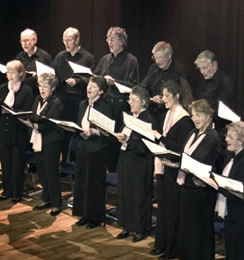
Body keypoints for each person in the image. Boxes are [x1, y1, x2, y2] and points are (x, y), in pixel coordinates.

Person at [149, 80, 194, 260]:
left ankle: (172, 248)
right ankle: (161, 244)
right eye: (163, 95)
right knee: (163, 209)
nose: (163, 98)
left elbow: (179, 149)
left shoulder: (184, 120)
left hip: (174, 171)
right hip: (163, 168)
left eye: (167, 95)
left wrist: (160, 138)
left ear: (176, 96)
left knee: (172, 211)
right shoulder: (167, 114)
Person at [174, 99, 221, 260]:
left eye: (199, 115)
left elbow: (201, 159)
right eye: (193, 115)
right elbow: (183, 153)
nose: (195, 119)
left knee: (201, 228)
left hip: (202, 190)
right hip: (188, 185)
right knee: (190, 227)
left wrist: (183, 163)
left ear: (208, 115)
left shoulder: (212, 137)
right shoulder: (193, 132)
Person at [213, 121, 244, 260]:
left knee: (240, 254)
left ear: (241, 139)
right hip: (231, 213)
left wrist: (218, 185)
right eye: (227, 135)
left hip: (240, 216)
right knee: (232, 251)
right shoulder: (233, 156)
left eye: (230, 136)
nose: (226, 139)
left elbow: (243, 190)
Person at [94, 26, 140, 172]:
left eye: (113, 39)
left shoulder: (131, 60)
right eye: (108, 39)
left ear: (122, 41)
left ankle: (114, 175)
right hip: (104, 105)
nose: (109, 42)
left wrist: (115, 82)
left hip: (120, 107)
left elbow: (134, 85)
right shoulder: (104, 59)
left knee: (115, 142)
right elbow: (95, 78)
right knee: (102, 140)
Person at [113, 86, 154, 242]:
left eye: (133, 100)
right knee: (125, 193)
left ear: (143, 102)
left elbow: (145, 146)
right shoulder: (129, 116)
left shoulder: (148, 120)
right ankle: (126, 225)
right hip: (126, 160)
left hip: (140, 163)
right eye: (129, 99)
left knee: (138, 195)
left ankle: (140, 228)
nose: (129, 102)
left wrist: (127, 140)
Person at [0, 60, 34, 203]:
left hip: (18, 132)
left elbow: (26, 112)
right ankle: (6, 190)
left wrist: (10, 110)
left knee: (17, 164)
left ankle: (17, 192)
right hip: (3, 131)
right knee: (6, 163)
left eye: (12, 72)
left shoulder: (26, 90)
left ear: (21, 74)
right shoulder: (2, 89)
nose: (9, 75)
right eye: (8, 72)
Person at [72, 76, 113, 229]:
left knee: (94, 184)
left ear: (101, 91)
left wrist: (96, 132)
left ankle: (94, 217)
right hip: (83, 147)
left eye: (93, 87)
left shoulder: (105, 106)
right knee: (82, 182)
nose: (89, 88)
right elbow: (79, 122)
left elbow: (108, 131)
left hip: (97, 149)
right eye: (89, 85)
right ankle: (83, 214)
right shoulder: (83, 103)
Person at [25, 73, 64, 216]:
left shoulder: (56, 102)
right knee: (42, 171)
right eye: (40, 86)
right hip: (38, 139)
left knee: (51, 172)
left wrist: (33, 124)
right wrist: (31, 122)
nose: (42, 89)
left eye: (45, 86)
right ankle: (46, 199)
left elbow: (50, 123)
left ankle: (56, 203)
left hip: (51, 141)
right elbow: (34, 115)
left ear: (52, 88)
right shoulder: (37, 99)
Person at [52, 27, 95, 122]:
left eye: (69, 40)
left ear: (77, 40)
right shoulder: (60, 56)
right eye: (64, 40)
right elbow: (53, 73)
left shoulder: (88, 58)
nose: (66, 43)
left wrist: (77, 81)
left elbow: (92, 79)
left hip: (78, 98)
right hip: (61, 96)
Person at [140, 41, 190, 120]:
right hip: (152, 110)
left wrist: (163, 98)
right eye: (155, 58)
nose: (157, 61)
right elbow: (144, 85)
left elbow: (183, 96)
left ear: (169, 56)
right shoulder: (153, 68)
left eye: (160, 58)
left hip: (168, 112)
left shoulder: (179, 71)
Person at [193, 50, 235, 133]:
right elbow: (197, 98)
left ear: (214, 65)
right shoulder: (202, 80)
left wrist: (205, 116)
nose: (202, 72)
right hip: (202, 123)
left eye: (205, 67)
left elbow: (223, 111)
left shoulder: (225, 81)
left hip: (218, 128)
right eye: (200, 68)